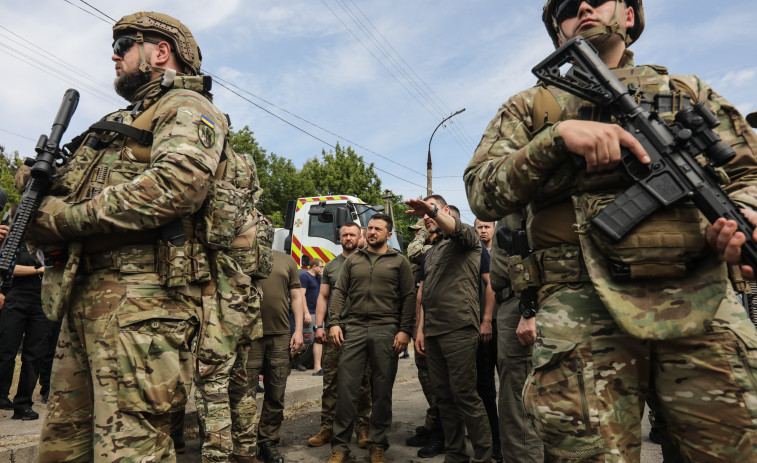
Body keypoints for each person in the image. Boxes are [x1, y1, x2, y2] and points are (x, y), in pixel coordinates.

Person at [464, 1, 757, 461]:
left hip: (701, 296)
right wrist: (556, 138)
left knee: (734, 448)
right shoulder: (532, 105)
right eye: (565, 5)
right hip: (580, 306)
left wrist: (744, 213)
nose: (582, 5)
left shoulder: (687, 91)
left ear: (630, 16)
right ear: (557, 33)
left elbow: (747, 172)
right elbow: (482, 193)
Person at [24, 12, 241, 462]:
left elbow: (176, 186)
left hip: (142, 307)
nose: (114, 54)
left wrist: (66, 219)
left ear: (160, 52)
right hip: (83, 297)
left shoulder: (188, 107)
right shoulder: (116, 123)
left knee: (131, 450)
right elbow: (59, 204)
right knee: (63, 447)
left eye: (124, 44)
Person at [408, 196, 492, 463]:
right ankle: (455, 455)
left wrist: (431, 210)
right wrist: (420, 330)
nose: (425, 218)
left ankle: (484, 457)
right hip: (432, 331)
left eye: (432, 211)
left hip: (459, 328)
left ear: (445, 211)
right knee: (443, 398)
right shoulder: (431, 252)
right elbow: (424, 294)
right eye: (424, 214)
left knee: (465, 395)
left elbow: (456, 228)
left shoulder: (466, 238)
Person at [325, 213, 415, 463]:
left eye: (378, 229)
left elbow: (409, 297)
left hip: (386, 330)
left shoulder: (400, 262)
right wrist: (334, 323)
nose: (372, 232)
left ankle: (378, 444)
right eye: (370, 228)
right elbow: (339, 292)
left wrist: (404, 330)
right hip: (353, 329)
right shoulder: (354, 260)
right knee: (346, 389)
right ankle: (340, 447)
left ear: (388, 234)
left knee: (382, 390)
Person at [309, 222, 373, 450]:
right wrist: (319, 325)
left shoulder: (368, 262)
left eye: (352, 234)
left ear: (360, 237)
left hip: (360, 330)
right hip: (335, 330)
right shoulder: (331, 266)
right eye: (344, 235)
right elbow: (323, 297)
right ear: (340, 238)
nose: (348, 238)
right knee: (331, 382)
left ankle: (362, 428)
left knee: (363, 383)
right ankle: (327, 428)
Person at [489, 214, 546, 463]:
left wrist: (528, 306)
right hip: (518, 299)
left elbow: (533, 246)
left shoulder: (520, 186)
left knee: (519, 408)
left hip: (522, 301)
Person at [247, 250, 305, 463]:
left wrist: (298, 331)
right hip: (247, 335)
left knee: (276, 393)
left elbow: (297, 296)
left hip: (280, 335)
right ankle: (245, 445)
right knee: (244, 395)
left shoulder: (286, 260)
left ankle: (267, 443)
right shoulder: (239, 255)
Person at [404, 218, 443, 452]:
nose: (416, 234)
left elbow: (414, 251)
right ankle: (434, 426)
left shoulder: (432, 249)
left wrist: (420, 238)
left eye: (419, 230)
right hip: (417, 322)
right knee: (426, 375)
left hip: (434, 322)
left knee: (438, 380)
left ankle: (440, 430)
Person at [0, 242, 45, 420]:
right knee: (6, 350)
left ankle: (23, 405)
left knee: (34, 355)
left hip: (41, 300)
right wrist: (38, 270)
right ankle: (2, 396)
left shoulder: (45, 240)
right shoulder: (14, 237)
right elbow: (7, 267)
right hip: (15, 297)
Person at [473, 218, 502, 462]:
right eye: (479, 227)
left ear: (494, 229)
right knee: (485, 388)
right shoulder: (473, 254)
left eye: (486, 227)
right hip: (481, 330)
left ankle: (513, 437)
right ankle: (494, 441)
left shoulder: (502, 253)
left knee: (513, 387)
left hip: (504, 326)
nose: (483, 231)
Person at [300, 258, 324, 375]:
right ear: (314, 266)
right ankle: (288, 357)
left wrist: (323, 275)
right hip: (310, 313)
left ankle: (317, 368)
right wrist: (306, 313)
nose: (321, 269)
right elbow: (301, 295)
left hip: (318, 313)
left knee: (318, 339)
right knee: (306, 341)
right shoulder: (305, 277)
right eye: (320, 266)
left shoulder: (319, 278)